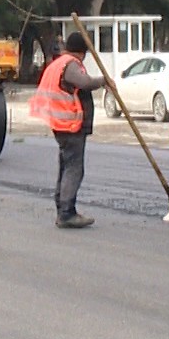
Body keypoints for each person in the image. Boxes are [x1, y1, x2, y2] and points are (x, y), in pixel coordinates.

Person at [30, 31, 106, 230]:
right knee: (74, 169)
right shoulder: (70, 64)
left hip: (61, 124)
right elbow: (84, 83)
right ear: (82, 52)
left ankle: (63, 209)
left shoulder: (58, 63)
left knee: (66, 167)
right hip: (70, 125)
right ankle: (66, 213)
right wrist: (103, 80)